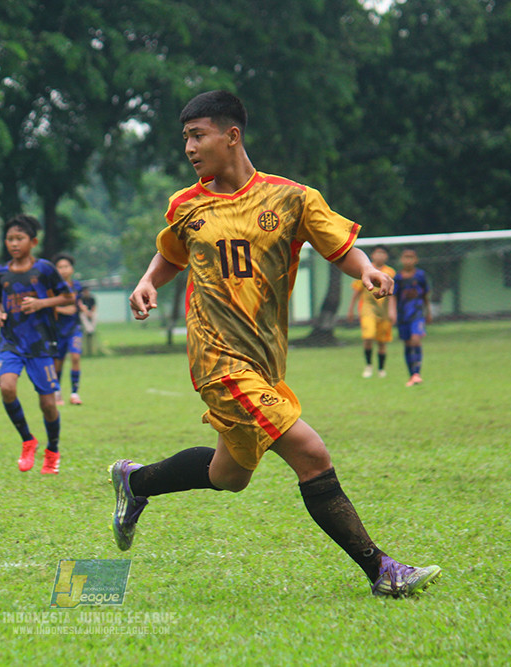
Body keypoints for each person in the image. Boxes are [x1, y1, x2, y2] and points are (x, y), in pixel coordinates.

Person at [109, 90, 440, 598]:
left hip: (264, 361)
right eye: (186, 139)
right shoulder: (186, 204)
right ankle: (383, 571)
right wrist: (148, 280)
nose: (189, 148)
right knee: (311, 454)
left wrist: (367, 270)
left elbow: (340, 247)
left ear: (231, 135)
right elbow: (171, 254)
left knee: (228, 475)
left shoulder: (292, 198)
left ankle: (136, 482)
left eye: (197, 136)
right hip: (217, 359)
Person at [0, 215, 75, 474]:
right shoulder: (0, 272)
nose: (14, 243)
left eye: (19, 238)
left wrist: (41, 303)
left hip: (40, 344)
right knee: (7, 388)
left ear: (33, 242)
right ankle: (28, 440)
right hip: (11, 341)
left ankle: (53, 450)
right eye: (9, 239)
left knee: (48, 405)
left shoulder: (45, 269)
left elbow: (68, 297)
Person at [347, 245, 396, 378]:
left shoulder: (390, 272)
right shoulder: (365, 270)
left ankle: (381, 369)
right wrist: (351, 309)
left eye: (383, 253)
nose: (380, 256)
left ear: (386, 256)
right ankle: (368, 366)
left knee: (382, 342)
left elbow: (392, 294)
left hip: (383, 311)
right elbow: (356, 292)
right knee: (368, 337)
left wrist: (392, 310)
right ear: (372, 255)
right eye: (377, 253)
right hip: (367, 309)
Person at [389, 248, 431, 387]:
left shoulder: (420, 275)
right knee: (407, 343)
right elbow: (393, 296)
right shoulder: (398, 278)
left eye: (411, 257)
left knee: (416, 339)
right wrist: (392, 312)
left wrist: (428, 311)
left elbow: (425, 295)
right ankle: (411, 374)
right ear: (401, 260)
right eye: (406, 257)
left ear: (416, 260)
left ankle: (417, 373)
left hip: (417, 313)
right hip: (403, 314)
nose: (408, 260)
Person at [52, 253, 85, 406]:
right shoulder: (52, 288)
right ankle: (57, 393)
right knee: (58, 362)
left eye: (66, 266)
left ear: (72, 269)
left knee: (75, 357)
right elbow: (48, 306)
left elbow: (77, 305)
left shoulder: (77, 286)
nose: (64, 270)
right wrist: (62, 309)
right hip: (57, 330)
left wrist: (82, 308)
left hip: (74, 328)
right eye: (60, 267)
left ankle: (74, 393)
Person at [79, 287, 99, 357]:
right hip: (84, 313)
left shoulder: (92, 298)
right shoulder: (81, 299)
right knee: (82, 316)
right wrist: (87, 312)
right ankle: (89, 329)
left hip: (91, 313)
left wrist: (90, 313)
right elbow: (82, 307)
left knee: (95, 315)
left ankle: (91, 329)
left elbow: (94, 307)